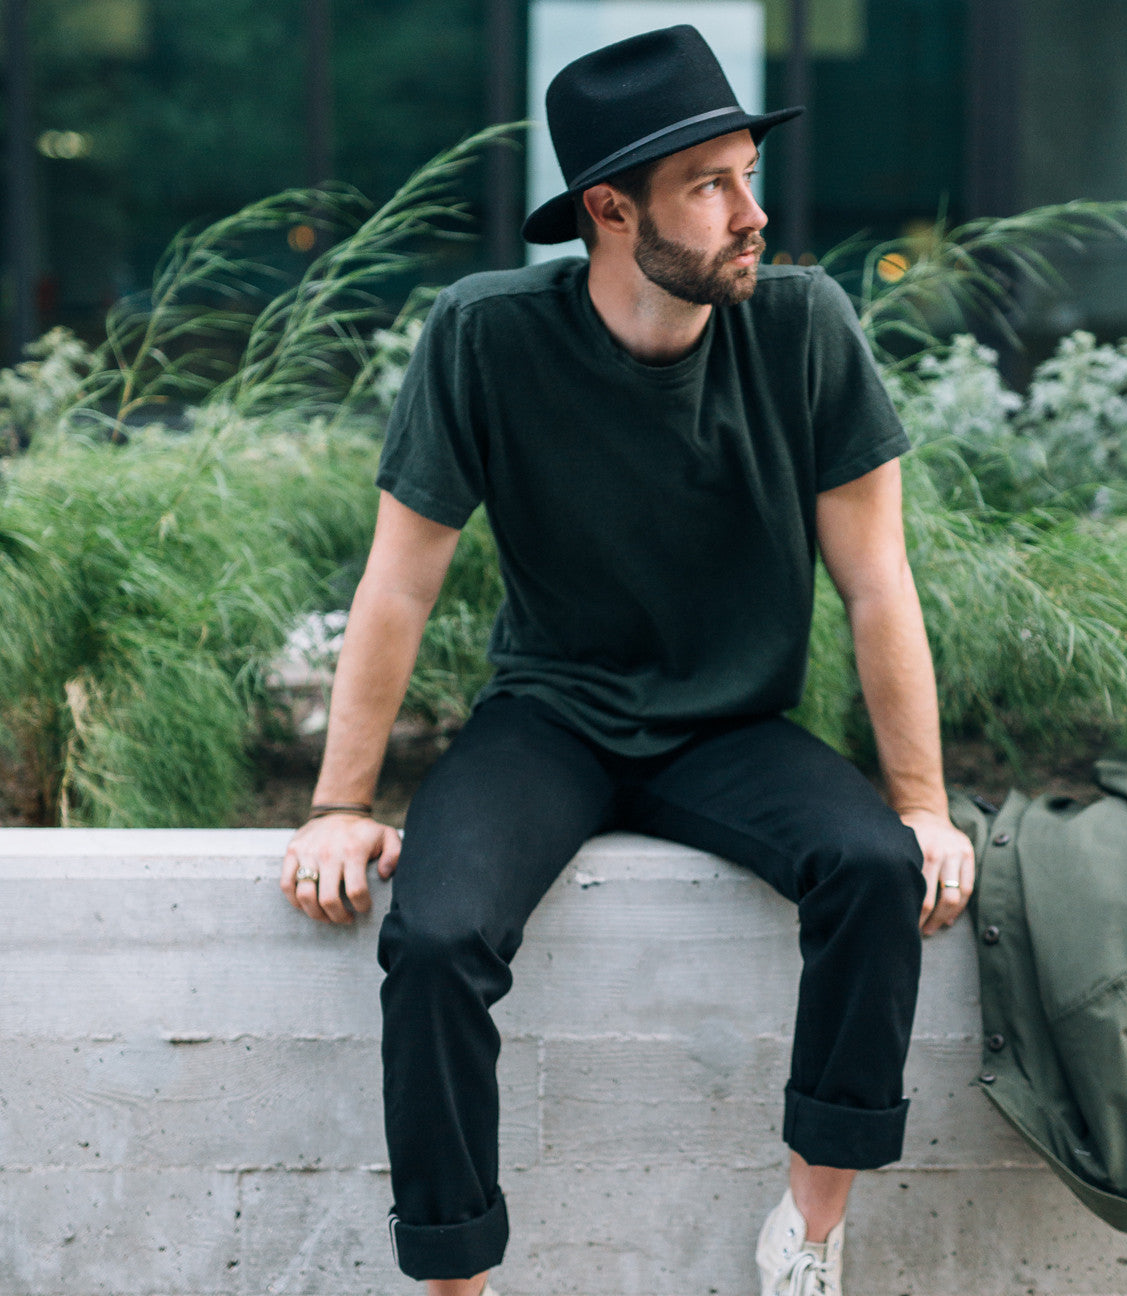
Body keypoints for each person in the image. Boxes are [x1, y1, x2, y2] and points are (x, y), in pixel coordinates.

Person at [280, 24, 974, 1296]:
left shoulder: (805, 327)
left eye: (747, 175)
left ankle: (809, 1235)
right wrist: (339, 803)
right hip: (550, 719)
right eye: (710, 185)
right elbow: (399, 583)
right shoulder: (487, 334)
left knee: (877, 866)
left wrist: (923, 802)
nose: (752, 214)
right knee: (433, 939)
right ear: (611, 210)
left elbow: (879, 582)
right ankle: (457, 1280)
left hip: (733, 729)